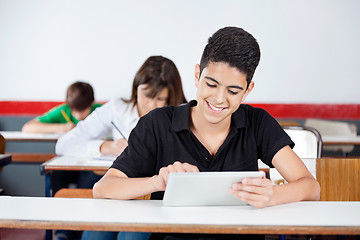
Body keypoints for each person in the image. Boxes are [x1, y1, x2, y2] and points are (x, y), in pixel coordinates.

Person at [93, 27, 321, 240]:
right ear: (197, 75)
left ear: (248, 90)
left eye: (233, 91)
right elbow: (104, 189)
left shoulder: (257, 122)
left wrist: (274, 195)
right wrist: (157, 182)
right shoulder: (157, 124)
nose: (220, 99)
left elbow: (311, 187)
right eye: (211, 84)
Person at [55, 56, 187, 240]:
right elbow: (64, 143)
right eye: (146, 94)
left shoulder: (183, 116)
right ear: (136, 87)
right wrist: (106, 146)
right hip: (117, 193)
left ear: (172, 97)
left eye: (160, 98)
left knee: (131, 236)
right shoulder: (118, 109)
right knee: (95, 235)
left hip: (155, 197)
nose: (151, 104)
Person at [22, 81, 101, 134]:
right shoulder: (63, 110)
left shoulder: (101, 110)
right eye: (74, 110)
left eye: (82, 111)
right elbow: (27, 128)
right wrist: (61, 128)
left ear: (92, 102)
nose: (78, 116)